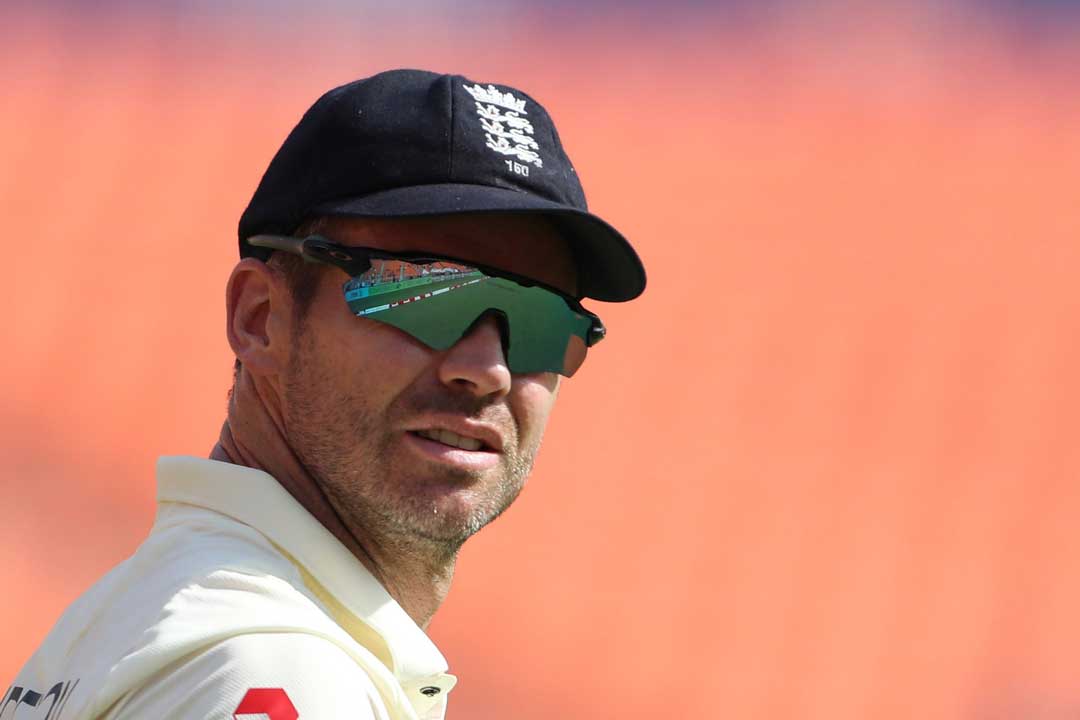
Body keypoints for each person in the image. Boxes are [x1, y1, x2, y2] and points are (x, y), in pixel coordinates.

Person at [5, 68, 645, 720]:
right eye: (423, 293)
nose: (488, 370)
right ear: (260, 318)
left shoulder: (128, 621)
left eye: (542, 322)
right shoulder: (279, 673)